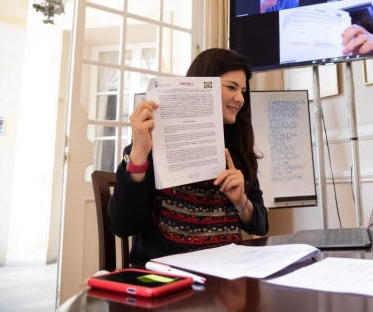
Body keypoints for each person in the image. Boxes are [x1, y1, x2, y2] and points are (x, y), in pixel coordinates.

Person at [108, 48, 269, 266]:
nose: (240, 98)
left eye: (243, 91)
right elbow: (122, 225)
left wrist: (241, 202)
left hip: (225, 271)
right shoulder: (153, 146)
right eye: (231, 87)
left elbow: (260, 225)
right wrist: (138, 153)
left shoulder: (239, 152)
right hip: (166, 274)